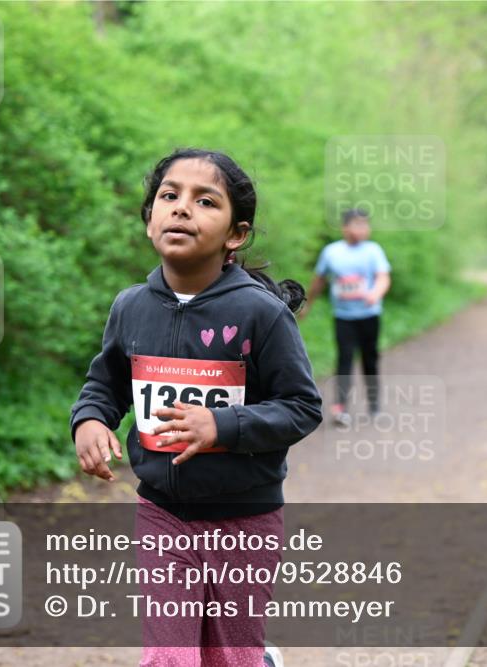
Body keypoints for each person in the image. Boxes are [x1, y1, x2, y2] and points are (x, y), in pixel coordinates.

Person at [70, 148, 322, 667]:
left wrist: (223, 425)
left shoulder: (261, 314)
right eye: (169, 196)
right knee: (171, 658)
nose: (182, 208)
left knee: (228, 658)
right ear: (149, 221)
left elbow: (301, 407)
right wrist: (90, 420)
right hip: (162, 512)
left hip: (245, 520)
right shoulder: (131, 308)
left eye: (205, 201)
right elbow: (106, 384)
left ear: (236, 234)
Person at [302, 209, 391, 426]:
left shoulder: (373, 251)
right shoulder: (332, 252)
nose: (363, 229)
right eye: (358, 225)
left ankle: (374, 405)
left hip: (369, 316)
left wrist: (375, 293)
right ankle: (341, 408)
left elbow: (383, 277)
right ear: (345, 228)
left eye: (365, 225)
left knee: (370, 360)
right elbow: (319, 281)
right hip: (343, 317)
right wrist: (307, 304)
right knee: (345, 359)